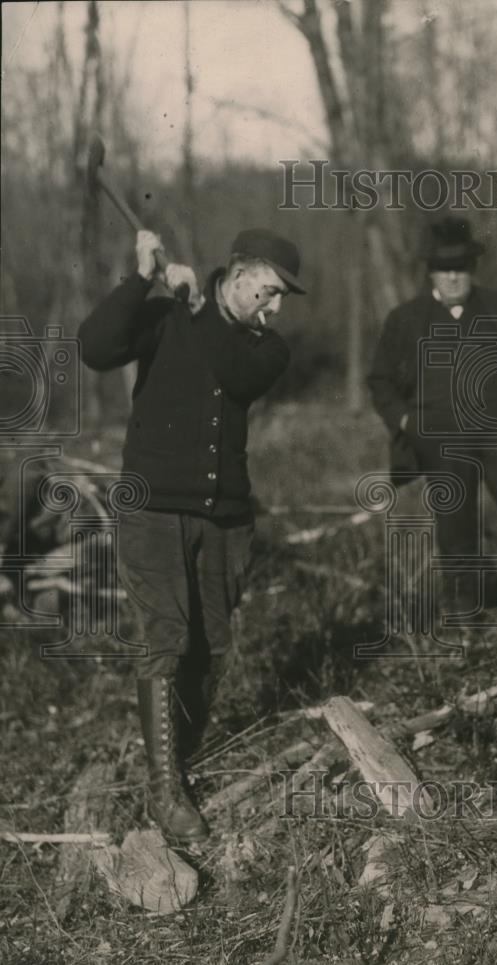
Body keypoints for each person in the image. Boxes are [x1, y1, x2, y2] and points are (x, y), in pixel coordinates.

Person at [78, 228, 305, 842]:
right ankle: (164, 789)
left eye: (281, 296)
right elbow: (95, 347)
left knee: (214, 646)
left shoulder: (268, 348)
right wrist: (141, 279)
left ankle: (179, 755)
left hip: (226, 519)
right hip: (152, 507)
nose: (276, 306)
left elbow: (230, 371)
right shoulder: (165, 314)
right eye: (270, 291)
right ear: (240, 273)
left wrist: (200, 306)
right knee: (165, 639)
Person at [368, 217, 497, 613]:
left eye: (461, 268)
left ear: (473, 268)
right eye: (444, 269)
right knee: (456, 534)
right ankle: (464, 616)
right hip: (441, 441)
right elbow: (381, 381)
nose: (453, 277)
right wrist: (406, 422)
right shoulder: (405, 320)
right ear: (430, 272)